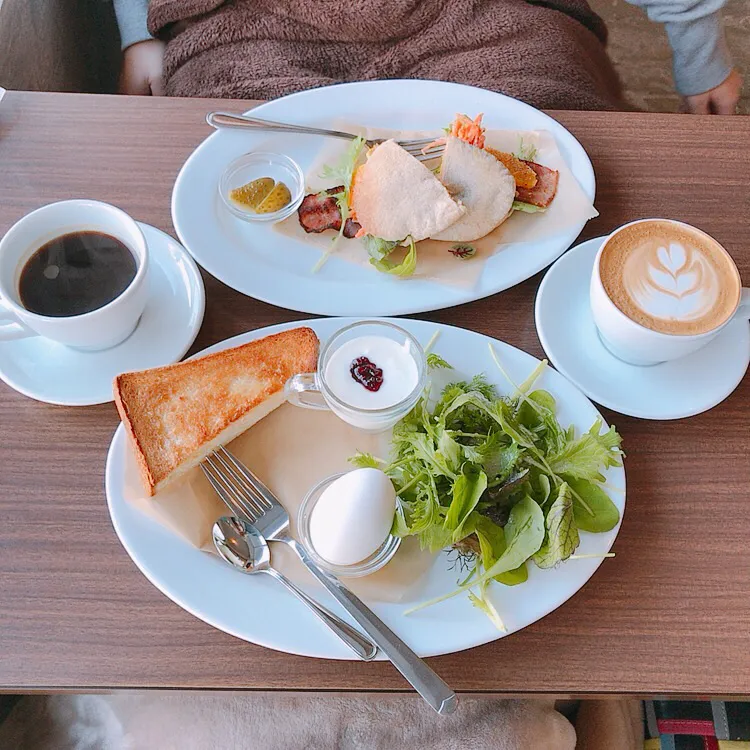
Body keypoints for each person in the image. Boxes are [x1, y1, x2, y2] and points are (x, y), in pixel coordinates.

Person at [114, 0, 742, 113]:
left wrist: (699, 50)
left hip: (477, 19)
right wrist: (138, 31)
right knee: (231, 139)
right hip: (263, 24)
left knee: (556, 125)